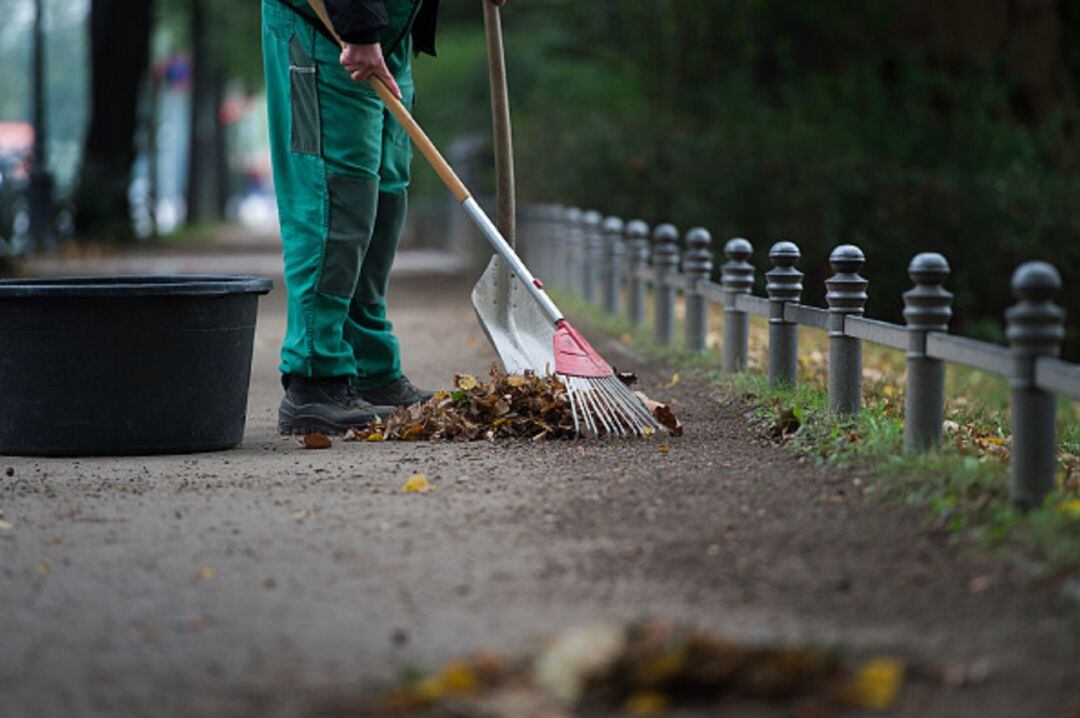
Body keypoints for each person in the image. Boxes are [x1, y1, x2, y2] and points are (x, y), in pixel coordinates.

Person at [261, 0, 505, 435]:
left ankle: (369, 367)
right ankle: (315, 379)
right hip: (330, 24)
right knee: (335, 198)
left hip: (384, 30)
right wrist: (356, 27)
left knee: (385, 195)